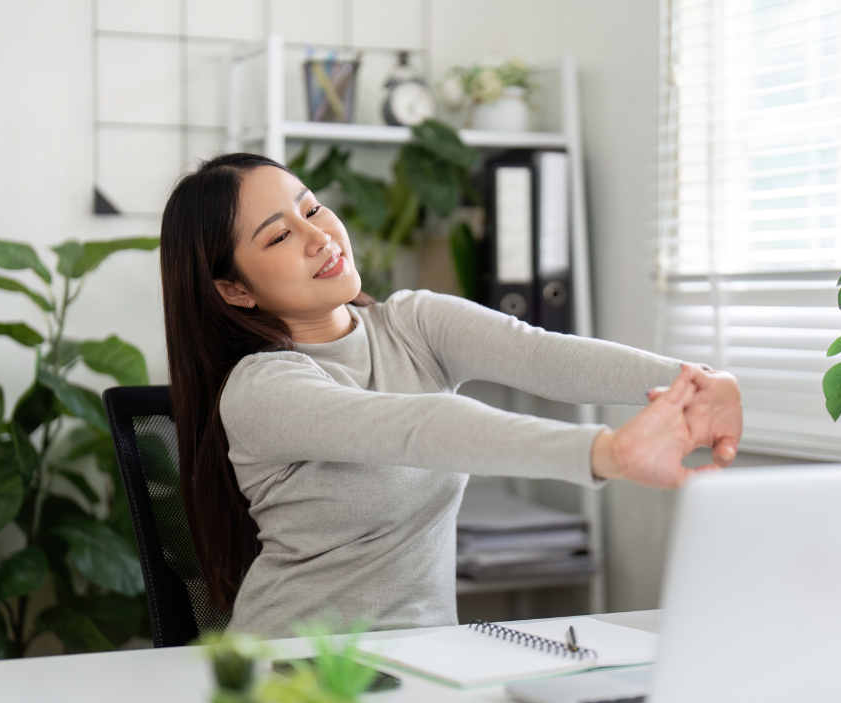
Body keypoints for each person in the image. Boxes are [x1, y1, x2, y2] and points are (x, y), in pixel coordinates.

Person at [159, 153, 742, 639]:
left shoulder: (412, 323)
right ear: (234, 289)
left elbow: (540, 354)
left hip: (430, 658)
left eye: (311, 208)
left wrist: (691, 383)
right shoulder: (262, 389)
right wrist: (607, 452)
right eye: (280, 235)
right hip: (296, 670)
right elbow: (417, 427)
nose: (319, 237)